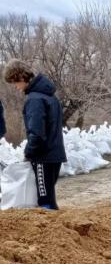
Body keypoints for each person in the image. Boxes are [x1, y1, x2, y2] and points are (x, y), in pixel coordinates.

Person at [3, 59, 67, 210]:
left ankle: (50, 232)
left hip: (43, 157)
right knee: (48, 196)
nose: (16, 87)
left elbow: (37, 133)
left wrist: (28, 152)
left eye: (15, 82)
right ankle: (58, 231)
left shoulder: (35, 99)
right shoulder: (49, 96)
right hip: (55, 154)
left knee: (44, 199)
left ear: (21, 77)